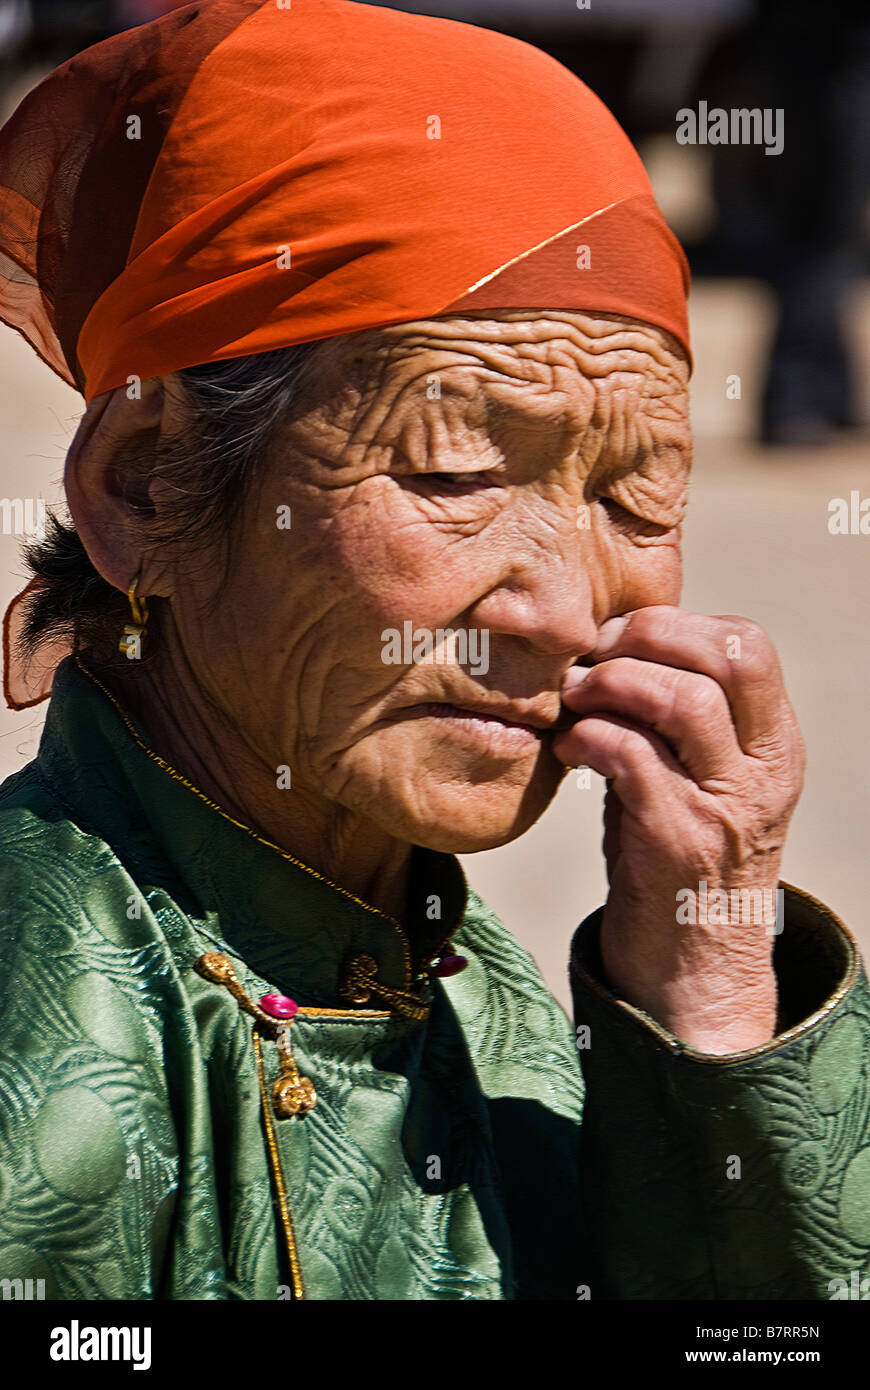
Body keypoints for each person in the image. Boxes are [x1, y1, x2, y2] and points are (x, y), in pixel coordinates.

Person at [0, 0, 866, 1301]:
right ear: (148, 486)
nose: (566, 610)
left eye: (637, 499)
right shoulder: (51, 1054)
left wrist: (712, 1007)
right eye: (453, 467)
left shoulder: (483, 994)